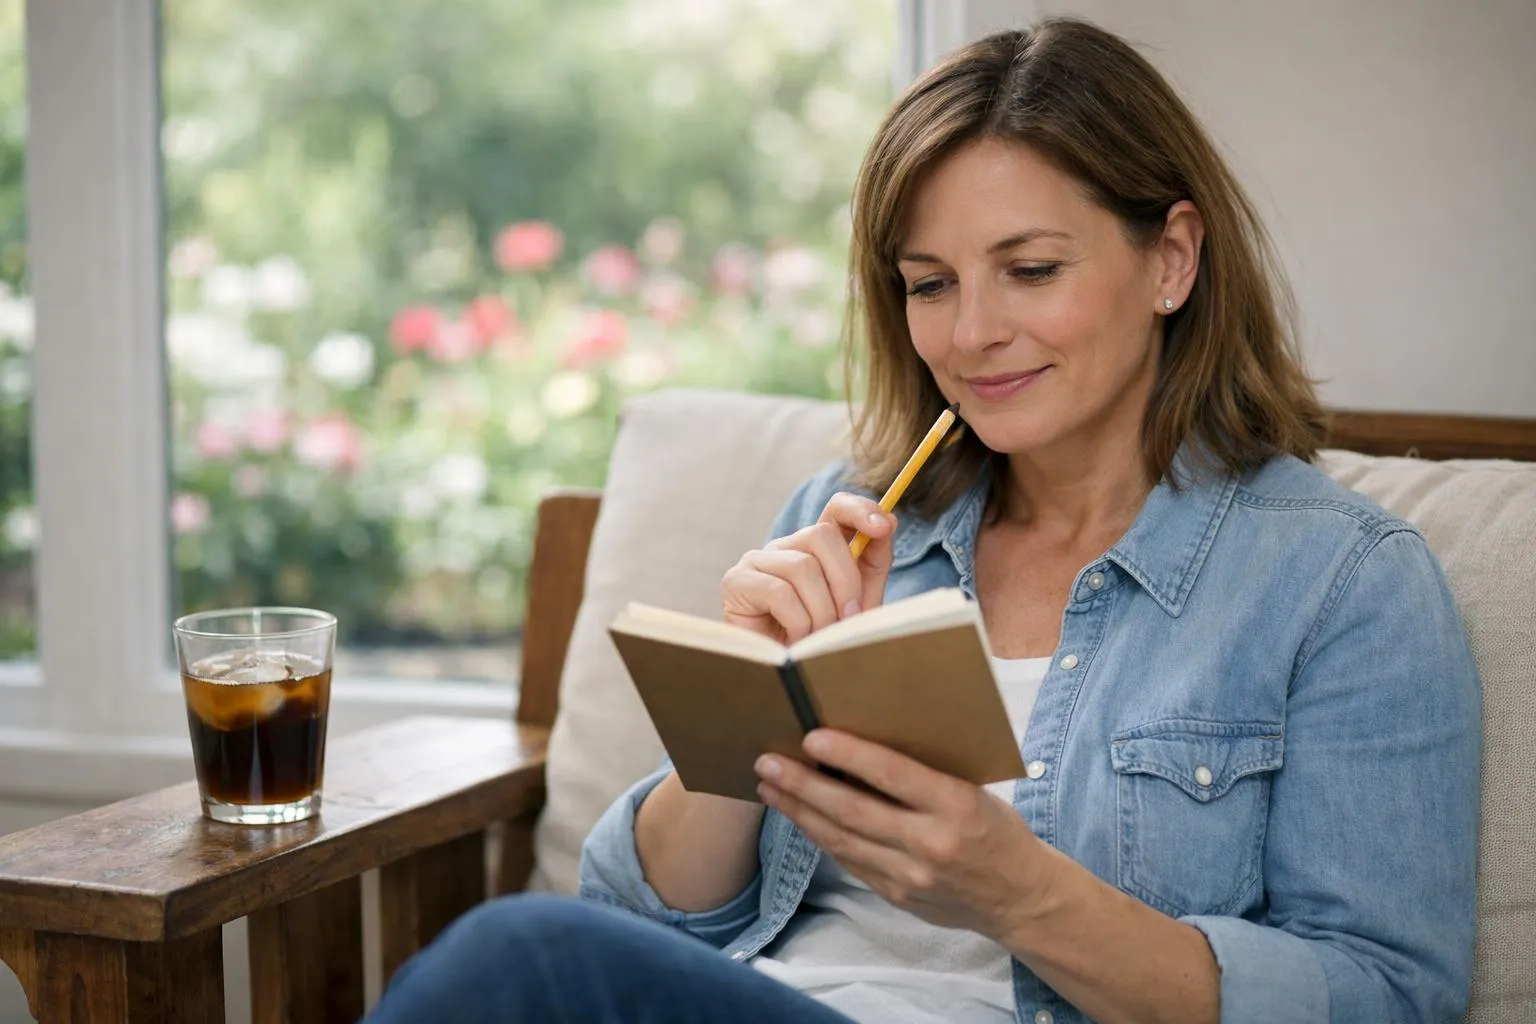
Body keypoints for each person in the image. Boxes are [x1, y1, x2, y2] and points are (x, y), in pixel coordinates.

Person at [367, 16, 1480, 1024]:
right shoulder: (849, 522)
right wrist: (736, 720)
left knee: (522, 957)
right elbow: (645, 923)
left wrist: (1023, 894)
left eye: (1030, 269)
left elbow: (1387, 997)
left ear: (1172, 260)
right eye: (929, 282)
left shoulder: (1343, 585)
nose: (972, 332)